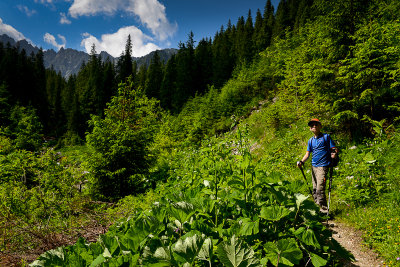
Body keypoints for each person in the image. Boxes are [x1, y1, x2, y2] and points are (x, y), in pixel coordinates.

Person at [297, 118, 337, 212]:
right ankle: (316, 208)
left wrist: (334, 154)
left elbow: (334, 148)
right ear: (310, 129)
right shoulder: (310, 141)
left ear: (320, 126)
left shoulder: (326, 137)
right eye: (312, 125)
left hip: (323, 166)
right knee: (315, 189)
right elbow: (307, 154)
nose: (314, 126)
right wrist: (301, 162)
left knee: (320, 189)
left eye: (316, 124)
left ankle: (323, 210)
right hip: (313, 166)